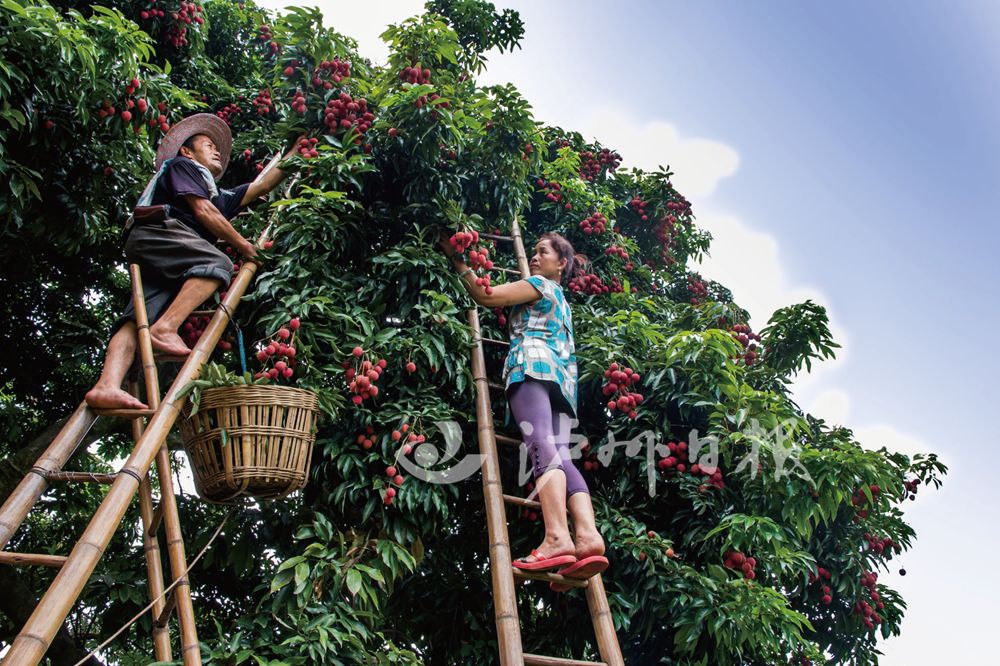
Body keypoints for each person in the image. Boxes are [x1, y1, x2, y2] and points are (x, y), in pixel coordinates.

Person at [85, 113, 292, 410]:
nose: (216, 150)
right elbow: (204, 212)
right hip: (158, 233)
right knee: (218, 264)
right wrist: (245, 246)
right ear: (187, 151)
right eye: (208, 145)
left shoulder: (216, 192)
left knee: (138, 318)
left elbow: (260, 186)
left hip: (164, 254)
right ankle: (166, 328)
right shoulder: (183, 167)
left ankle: (106, 385)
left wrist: (297, 150)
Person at [439, 230, 608, 587]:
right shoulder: (562, 300)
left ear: (561, 264)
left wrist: (458, 260)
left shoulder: (539, 285)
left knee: (540, 443)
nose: (534, 257)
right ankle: (589, 538)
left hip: (531, 367)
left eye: (542, 252)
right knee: (563, 456)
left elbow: (485, 296)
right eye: (532, 252)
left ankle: (557, 537)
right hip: (563, 383)